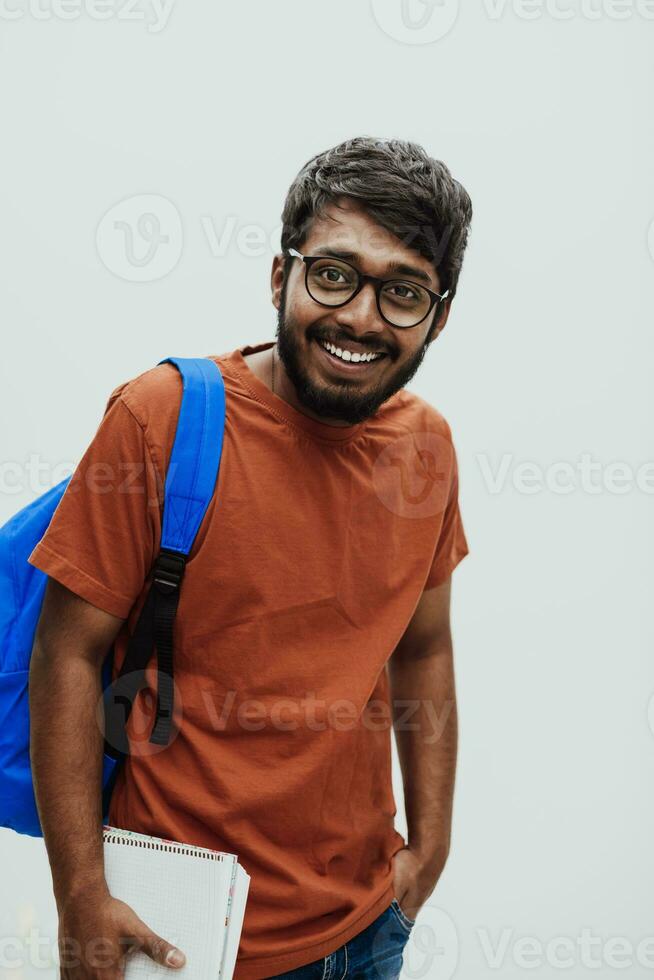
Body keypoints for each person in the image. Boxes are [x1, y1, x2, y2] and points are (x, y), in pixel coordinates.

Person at [27, 135, 473, 980]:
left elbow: (424, 647)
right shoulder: (161, 418)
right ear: (282, 276)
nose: (360, 318)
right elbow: (68, 652)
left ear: (438, 316)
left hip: (369, 926)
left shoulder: (427, 449)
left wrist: (431, 851)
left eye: (403, 293)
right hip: (181, 934)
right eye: (334, 274)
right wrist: (80, 896)